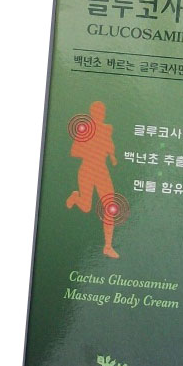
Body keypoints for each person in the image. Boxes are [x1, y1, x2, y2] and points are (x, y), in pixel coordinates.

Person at [66, 101, 119, 258]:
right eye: (98, 112)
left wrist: (112, 156)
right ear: (92, 113)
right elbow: (74, 151)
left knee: (110, 206)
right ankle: (76, 197)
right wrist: (91, 149)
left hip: (102, 170)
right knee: (86, 207)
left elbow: (109, 145)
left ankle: (108, 246)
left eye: (103, 112)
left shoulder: (107, 129)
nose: (101, 115)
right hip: (87, 169)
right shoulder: (85, 130)